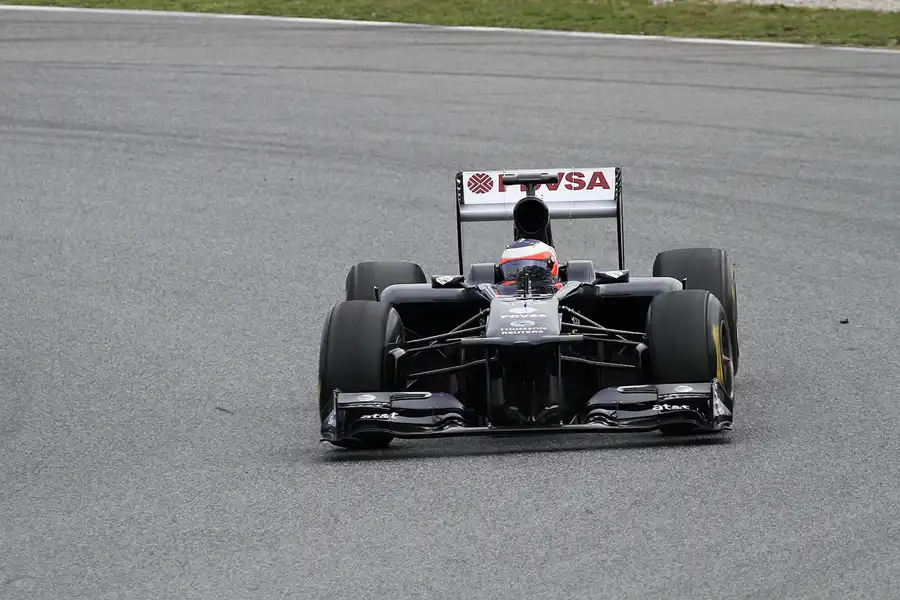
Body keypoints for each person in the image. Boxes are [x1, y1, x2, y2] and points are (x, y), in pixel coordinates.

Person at [497, 238, 561, 293]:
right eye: (513, 270)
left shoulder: (562, 291)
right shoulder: (498, 295)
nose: (523, 277)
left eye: (531, 272)